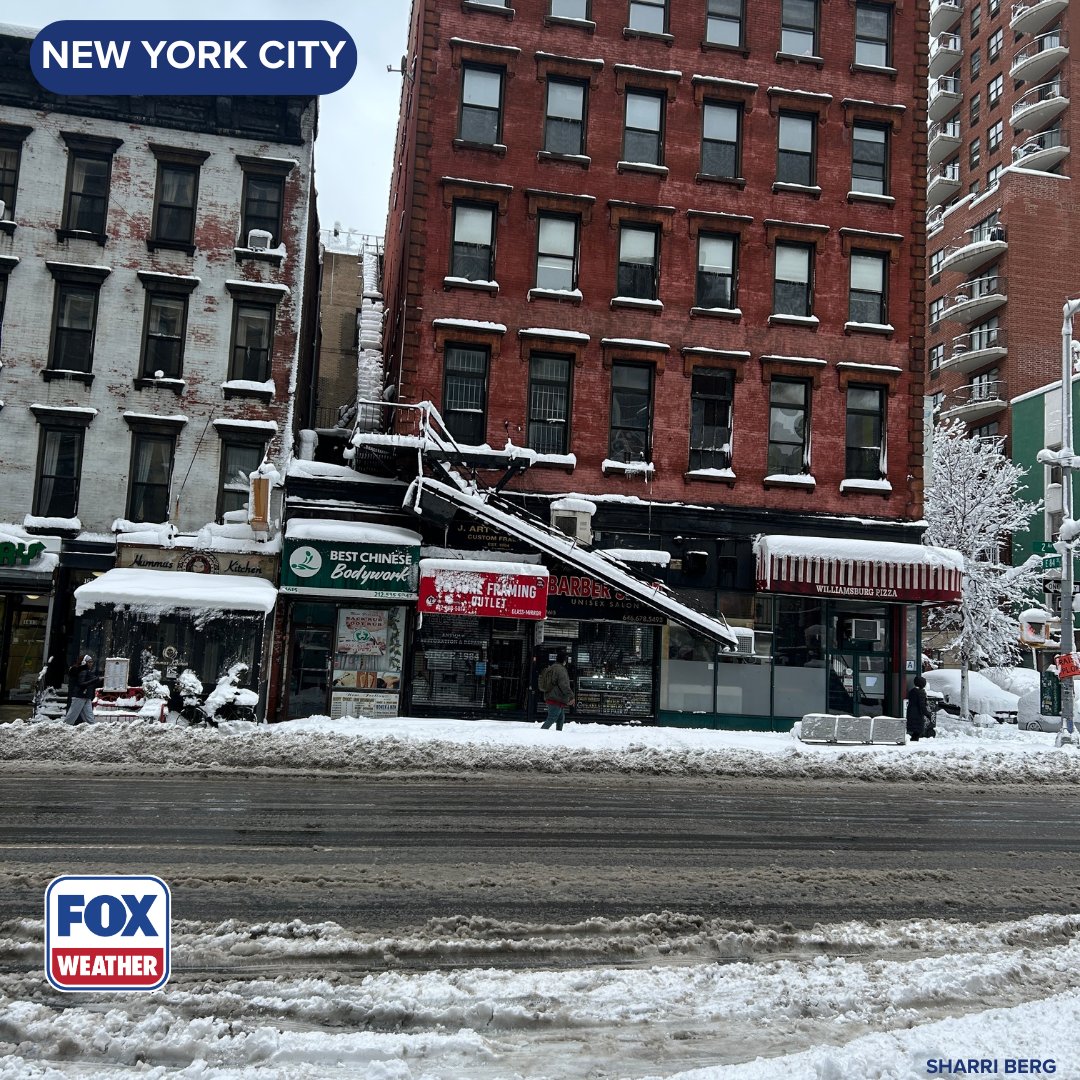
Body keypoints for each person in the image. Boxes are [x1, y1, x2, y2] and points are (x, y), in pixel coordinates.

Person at [539, 649, 575, 732]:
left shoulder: (551, 668)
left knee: (560, 718)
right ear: (564, 661)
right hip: (556, 697)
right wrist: (571, 696)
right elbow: (564, 685)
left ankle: (558, 735)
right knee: (552, 718)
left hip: (552, 696)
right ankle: (540, 734)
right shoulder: (561, 670)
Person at [62, 654, 101, 726]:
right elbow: (81, 684)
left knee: (90, 719)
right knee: (70, 718)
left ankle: (94, 731)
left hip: (85, 696)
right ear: (84, 662)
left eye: (92, 662)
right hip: (79, 697)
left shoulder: (86, 671)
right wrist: (96, 679)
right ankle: (62, 730)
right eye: (89, 662)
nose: (91, 663)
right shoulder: (83, 671)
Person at [906, 675, 931, 742]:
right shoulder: (921, 693)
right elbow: (922, 705)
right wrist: (927, 714)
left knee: (915, 731)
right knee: (918, 731)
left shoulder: (912, 691)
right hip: (918, 714)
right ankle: (914, 743)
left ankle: (913, 740)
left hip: (911, 712)